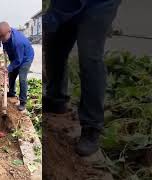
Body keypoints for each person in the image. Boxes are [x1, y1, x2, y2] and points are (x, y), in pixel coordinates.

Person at [44, 0, 121, 156]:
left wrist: (52, 18)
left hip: (101, 4)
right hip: (66, 3)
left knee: (89, 57)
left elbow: (70, 4)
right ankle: (56, 100)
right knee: (54, 46)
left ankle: (92, 128)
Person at [0, 22, 35, 111]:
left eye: (3, 37)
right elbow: (5, 45)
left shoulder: (18, 42)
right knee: (11, 75)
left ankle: (23, 102)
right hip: (16, 57)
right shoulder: (4, 36)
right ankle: (11, 92)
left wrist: (8, 68)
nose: (1, 39)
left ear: (9, 32)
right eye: (0, 37)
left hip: (25, 58)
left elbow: (19, 60)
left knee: (22, 79)